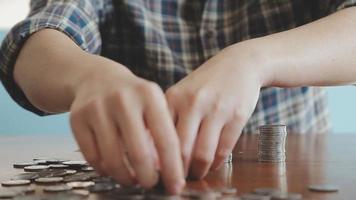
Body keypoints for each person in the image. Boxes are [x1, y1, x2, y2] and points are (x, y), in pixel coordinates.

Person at [1, 0, 356, 194]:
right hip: (144, 177)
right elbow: (38, 37)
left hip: (298, 172)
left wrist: (256, 61)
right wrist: (85, 76)